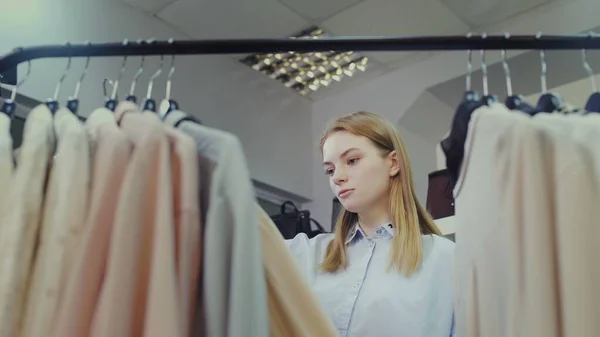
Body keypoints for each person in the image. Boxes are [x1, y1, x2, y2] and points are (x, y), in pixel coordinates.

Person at [286, 111, 455, 337]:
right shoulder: (307, 253)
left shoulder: (445, 259)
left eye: (352, 160)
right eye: (330, 170)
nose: (337, 177)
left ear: (393, 163)